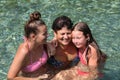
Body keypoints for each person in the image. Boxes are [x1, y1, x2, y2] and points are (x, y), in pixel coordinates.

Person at [7, 11, 51, 80]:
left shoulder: (41, 43)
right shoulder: (24, 51)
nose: (48, 35)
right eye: (44, 34)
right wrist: (36, 79)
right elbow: (10, 77)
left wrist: (50, 45)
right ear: (33, 36)